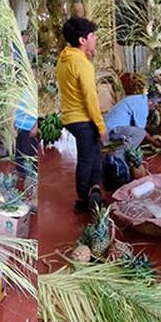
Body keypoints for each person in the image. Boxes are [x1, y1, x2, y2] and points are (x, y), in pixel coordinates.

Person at [56, 17, 106, 213]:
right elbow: (90, 97)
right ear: (82, 40)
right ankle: (83, 200)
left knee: (94, 155)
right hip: (83, 118)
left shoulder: (65, 58)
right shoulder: (83, 64)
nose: (95, 39)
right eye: (92, 36)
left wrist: (88, 57)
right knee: (87, 158)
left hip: (70, 117)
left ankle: (94, 192)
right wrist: (101, 126)